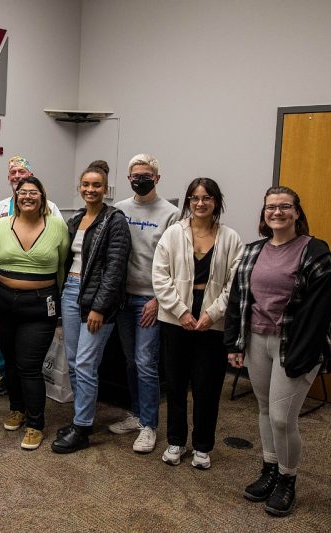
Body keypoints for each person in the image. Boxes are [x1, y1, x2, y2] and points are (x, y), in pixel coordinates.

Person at [225, 186, 331, 517]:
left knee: (281, 417)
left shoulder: (316, 253)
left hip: (296, 346)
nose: (277, 212)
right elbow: (238, 300)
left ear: (297, 213)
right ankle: (270, 469)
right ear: (264, 214)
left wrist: (302, 358)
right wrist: (234, 343)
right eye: (270, 207)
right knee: (264, 410)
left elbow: (320, 313)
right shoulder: (252, 251)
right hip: (257, 341)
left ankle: (287, 480)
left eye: (285, 206)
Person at [152, 178, 243, 469]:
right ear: (188, 201)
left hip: (211, 325)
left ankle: (203, 446)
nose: (200, 203)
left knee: (208, 387)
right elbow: (160, 277)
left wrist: (212, 314)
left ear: (216, 202)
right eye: (194, 197)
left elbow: (235, 283)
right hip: (176, 321)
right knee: (176, 384)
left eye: (207, 197)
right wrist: (181, 312)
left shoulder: (230, 238)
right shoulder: (173, 234)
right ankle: (176, 441)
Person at [0, 176, 69, 450]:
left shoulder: (56, 226)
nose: (27, 196)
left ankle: (35, 424)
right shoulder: (0, 225)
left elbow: (63, 265)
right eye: (22, 192)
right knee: (9, 361)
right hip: (4, 300)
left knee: (29, 366)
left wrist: (61, 305)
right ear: (15, 197)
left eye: (33, 192)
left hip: (40, 304)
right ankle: (16, 408)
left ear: (43, 197)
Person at [51, 162, 130, 454]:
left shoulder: (115, 221)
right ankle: (79, 419)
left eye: (97, 185)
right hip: (70, 293)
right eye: (86, 185)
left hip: (98, 300)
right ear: (79, 188)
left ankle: (83, 428)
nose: (91, 190)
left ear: (106, 189)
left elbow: (114, 269)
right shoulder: (77, 219)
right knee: (73, 361)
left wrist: (99, 307)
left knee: (85, 363)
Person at [110, 153, 179, 454]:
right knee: (129, 360)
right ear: (128, 179)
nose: (140, 179)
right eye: (135, 175)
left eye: (146, 175)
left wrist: (158, 300)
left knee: (145, 362)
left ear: (157, 178)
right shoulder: (119, 209)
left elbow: (176, 263)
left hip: (151, 299)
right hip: (123, 298)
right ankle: (137, 415)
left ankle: (149, 425)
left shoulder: (171, 213)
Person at [0, 156, 63, 397]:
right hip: (2, 285)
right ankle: (6, 377)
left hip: (39, 291)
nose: (17, 176)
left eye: (22, 172)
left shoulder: (51, 209)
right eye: (13, 172)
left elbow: (60, 248)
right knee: (4, 339)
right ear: (9, 179)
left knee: (26, 345)